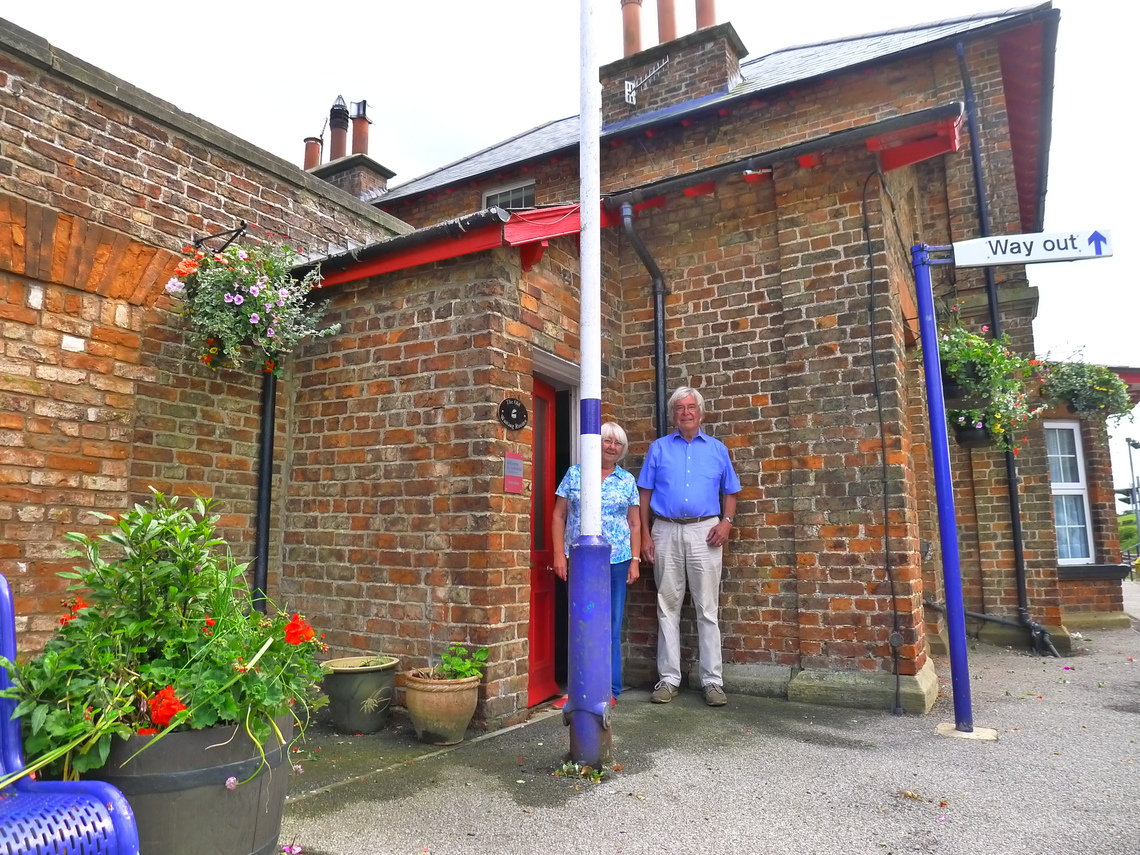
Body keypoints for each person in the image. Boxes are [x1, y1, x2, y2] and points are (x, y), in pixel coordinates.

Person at [638, 386, 741, 707]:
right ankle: (669, 679)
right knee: (666, 606)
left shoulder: (717, 449)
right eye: (679, 408)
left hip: (706, 531)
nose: (685, 412)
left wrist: (726, 522)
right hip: (665, 530)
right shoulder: (658, 449)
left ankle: (712, 681)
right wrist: (643, 534)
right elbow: (643, 495)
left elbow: (731, 491)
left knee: (707, 609)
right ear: (673, 415)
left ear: (701, 412)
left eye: (691, 407)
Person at [551, 421, 642, 706]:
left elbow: (635, 523)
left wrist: (635, 561)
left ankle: (610, 690)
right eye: (607, 441)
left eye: (617, 443)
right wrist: (558, 554)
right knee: (579, 620)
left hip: (617, 560)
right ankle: (576, 689)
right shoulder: (575, 474)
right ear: (595, 444)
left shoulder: (626, 481)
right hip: (579, 559)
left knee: (612, 623)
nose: (612, 447)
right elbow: (558, 516)